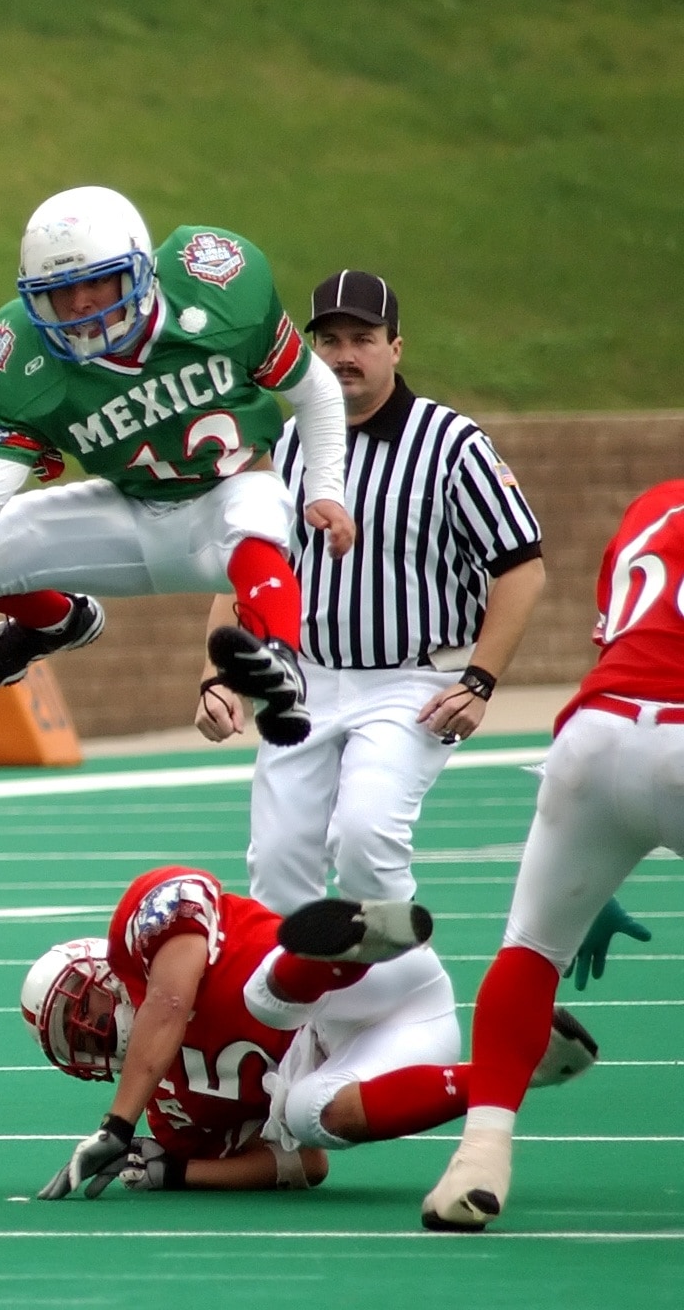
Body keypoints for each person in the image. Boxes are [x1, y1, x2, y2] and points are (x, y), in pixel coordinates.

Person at [0, 185, 354, 746]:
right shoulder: (16, 361)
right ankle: (57, 622)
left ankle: (278, 666)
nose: (80, 304)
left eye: (96, 280)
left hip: (227, 498)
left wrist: (325, 489)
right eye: (61, 290)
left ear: (140, 269)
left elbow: (314, 388)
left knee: (259, 516)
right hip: (130, 514)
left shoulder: (213, 294)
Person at [197, 271, 547, 916]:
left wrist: (479, 680)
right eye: (329, 340)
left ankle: (409, 1003)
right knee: (276, 868)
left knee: (364, 838)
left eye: (363, 337)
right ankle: (305, 1019)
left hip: (410, 683)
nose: (345, 355)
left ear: (396, 347)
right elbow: (248, 565)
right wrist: (219, 678)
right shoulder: (288, 440)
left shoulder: (451, 444)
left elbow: (521, 567)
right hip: (301, 678)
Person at [423, 481, 684, 1231]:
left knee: (531, 950)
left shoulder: (652, 504)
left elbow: (623, 648)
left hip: (594, 742)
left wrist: (595, 872)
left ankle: (478, 1160)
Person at [26, 867, 596, 1198]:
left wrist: (116, 1125)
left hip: (369, 982)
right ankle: (514, 1069)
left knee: (264, 1000)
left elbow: (171, 1002)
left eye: (88, 1007)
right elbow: (303, 1166)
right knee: (307, 1115)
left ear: (100, 967)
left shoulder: (140, 928)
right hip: (396, 1044)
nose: (93, 1028)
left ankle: (352, 941)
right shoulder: (171, 1112)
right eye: (75, 1037)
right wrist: (178, 1171)